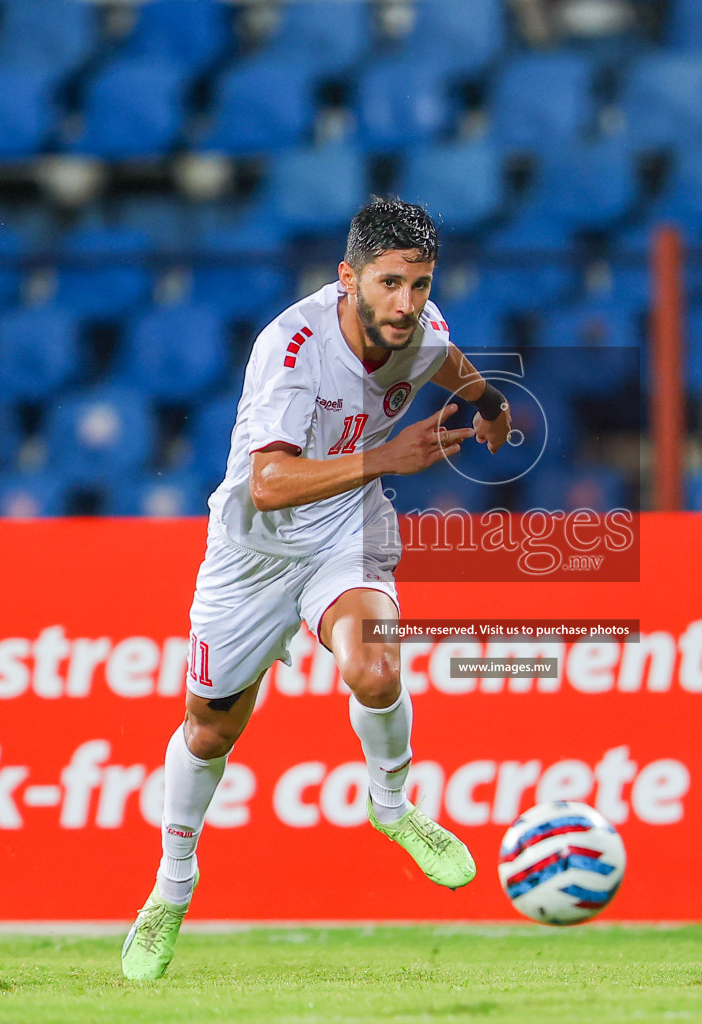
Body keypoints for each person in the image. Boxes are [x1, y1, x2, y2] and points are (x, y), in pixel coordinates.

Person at [122, 197, 514, 981]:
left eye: (422, 284)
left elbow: (443, 357)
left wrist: (490, 404)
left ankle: (394, 809)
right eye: (390, 283)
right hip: (253, 552)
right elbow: (266, 483)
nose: (407, 303)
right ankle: (172, 888)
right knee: (208, 730)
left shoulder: (421, 329)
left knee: (375, 666)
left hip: (344, 529)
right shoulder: (291, 347)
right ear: (349, 278)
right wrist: (388, 459)